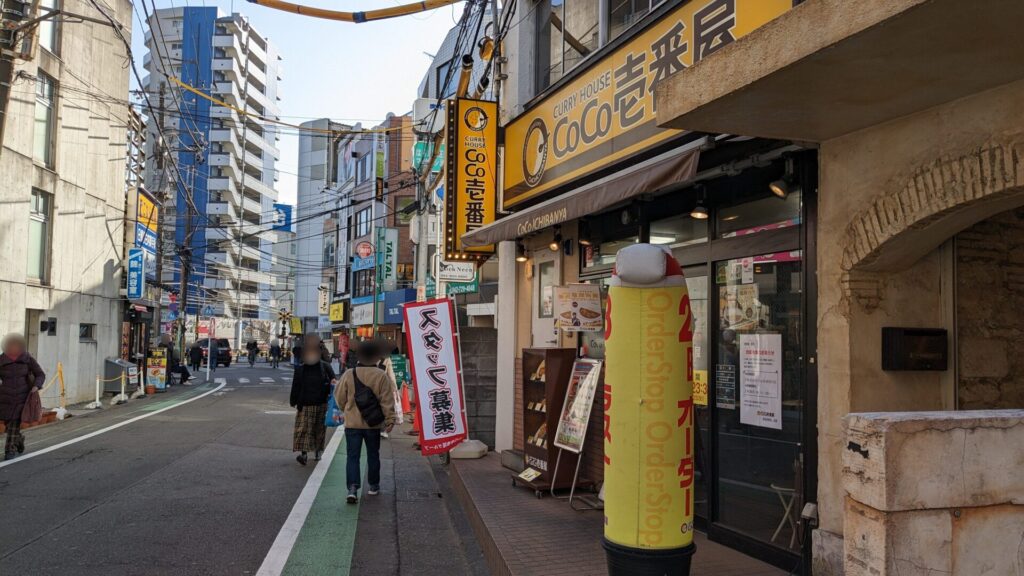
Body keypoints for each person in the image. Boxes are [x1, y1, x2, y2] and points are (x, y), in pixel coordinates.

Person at [334, 340, 396, 503]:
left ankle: (352, 488)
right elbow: (387, 401)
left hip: (352, 424)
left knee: (352, 456)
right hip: (373, 424)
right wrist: (390, 420)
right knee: (373, 454)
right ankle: (374, 486)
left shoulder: (349, 374)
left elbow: (339, 397)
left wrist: (346, 409)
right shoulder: (381, 376)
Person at [290, 335, 336, 466]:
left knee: (313, 429)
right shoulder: (301, 369)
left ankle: (315, 452)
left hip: (319, 403)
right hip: (307, 403)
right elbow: (296, 386)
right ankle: (306, 454)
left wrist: (293, 401)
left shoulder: (325, 367)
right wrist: (293, 401)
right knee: (308, 429)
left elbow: (334, 381)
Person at [0, 334, 45, 460]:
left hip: (23, 398)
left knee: (14, 423)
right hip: (5, 398)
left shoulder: (27, 358)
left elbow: (40, 374)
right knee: (9, 425)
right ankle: (19, 440)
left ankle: (10, 450)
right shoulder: (1, 360)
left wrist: (36, 386)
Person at [375, 341, 405, 439]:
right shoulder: (386, 359)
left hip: (370, 386)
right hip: (382, 386)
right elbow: (391, 376)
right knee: (383, 407)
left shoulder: (368, 356)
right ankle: (383, 430)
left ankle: (373, 427)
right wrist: (395, 389)